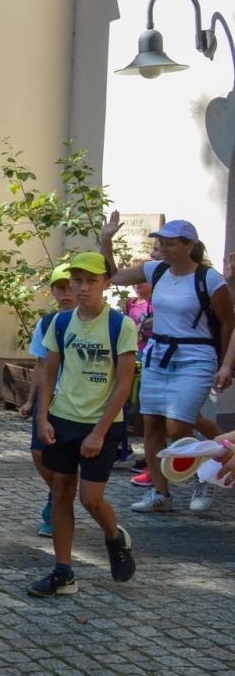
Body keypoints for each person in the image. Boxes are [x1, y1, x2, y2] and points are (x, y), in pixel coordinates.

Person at [102, 216, 234, 514]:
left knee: (178, 426)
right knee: (151, 425)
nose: (162, 247)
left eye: (170, 243)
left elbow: (228, 321)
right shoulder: (155, 270)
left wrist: (226, 364)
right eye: (160, 242)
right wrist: (105, 241)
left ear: (189, 246)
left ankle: (205, 477)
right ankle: (161, 493)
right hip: (159, 352)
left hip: (196, 356)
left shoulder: (209, 279)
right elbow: (115, 276)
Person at [29, 252, 137, 596]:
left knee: (91, 499)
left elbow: (123, 384)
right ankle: (63, 572)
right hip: (63, 420)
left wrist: (99, 432)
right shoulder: (60, 324)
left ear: (106, 283)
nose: (83, 287)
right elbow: (49, 371)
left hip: (102, 423)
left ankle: (114, 537)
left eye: (92, 280)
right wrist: (43, 416)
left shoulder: (120, 325)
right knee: (61, 492)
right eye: (78, 280)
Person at [19, 265, 79, 538]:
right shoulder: (47, 323)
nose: (66, 293)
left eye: (70, 287)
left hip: (79, 403)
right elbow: (41, 365)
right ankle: (57, 495)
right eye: (60, 287)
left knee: (67, 459)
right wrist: (31, 400)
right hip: (49, 399)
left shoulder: (97, 322)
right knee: (39, 453)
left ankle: (59, 503)